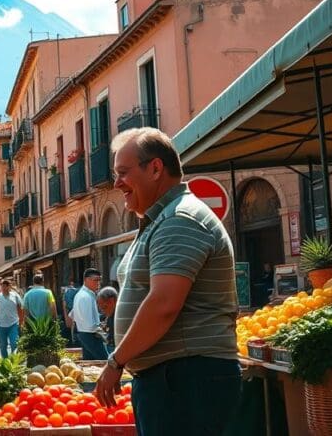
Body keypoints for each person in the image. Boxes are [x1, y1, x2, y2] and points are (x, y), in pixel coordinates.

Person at [94, 128, 241, 436]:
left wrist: (116, 361)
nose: (117, 183)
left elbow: (163, 304)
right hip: (174, 381)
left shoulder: (179, 220)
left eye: (123, 173)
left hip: (186, 380)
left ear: (156, 168)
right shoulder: (160, 220)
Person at [69, 268, 108, 360]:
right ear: (86, 280)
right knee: (105, 360)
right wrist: (101, 329)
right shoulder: (84, 296)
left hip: (85, 333)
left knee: (90, 362)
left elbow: (71, 315)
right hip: (90, 334)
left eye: (99, 280)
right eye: (95, 280)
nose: (98, 283)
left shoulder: (85, 294)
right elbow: (90, 325)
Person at [0, 279, 23, 357]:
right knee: (3, 346)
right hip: (1, 325)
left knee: (14, 344)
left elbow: (20, 309)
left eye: (6, 286)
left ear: (9, 287)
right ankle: (5, 363)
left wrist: (22, 322)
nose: (4, 287)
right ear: (1, 287)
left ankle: (14, 362)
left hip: (13, 324)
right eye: (3, 286)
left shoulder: (15, 296)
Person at [97, 286, 118, 353]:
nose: (103, 311)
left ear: (112, 301)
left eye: (104, 307)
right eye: (101, 309)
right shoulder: (109, 315)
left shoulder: (120, 316)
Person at [62, 278, 80, 345]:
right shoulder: (81, 292)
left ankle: (73, 340)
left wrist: (66, 315)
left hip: (71, 312)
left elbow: (65, 305)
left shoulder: (67, 292)